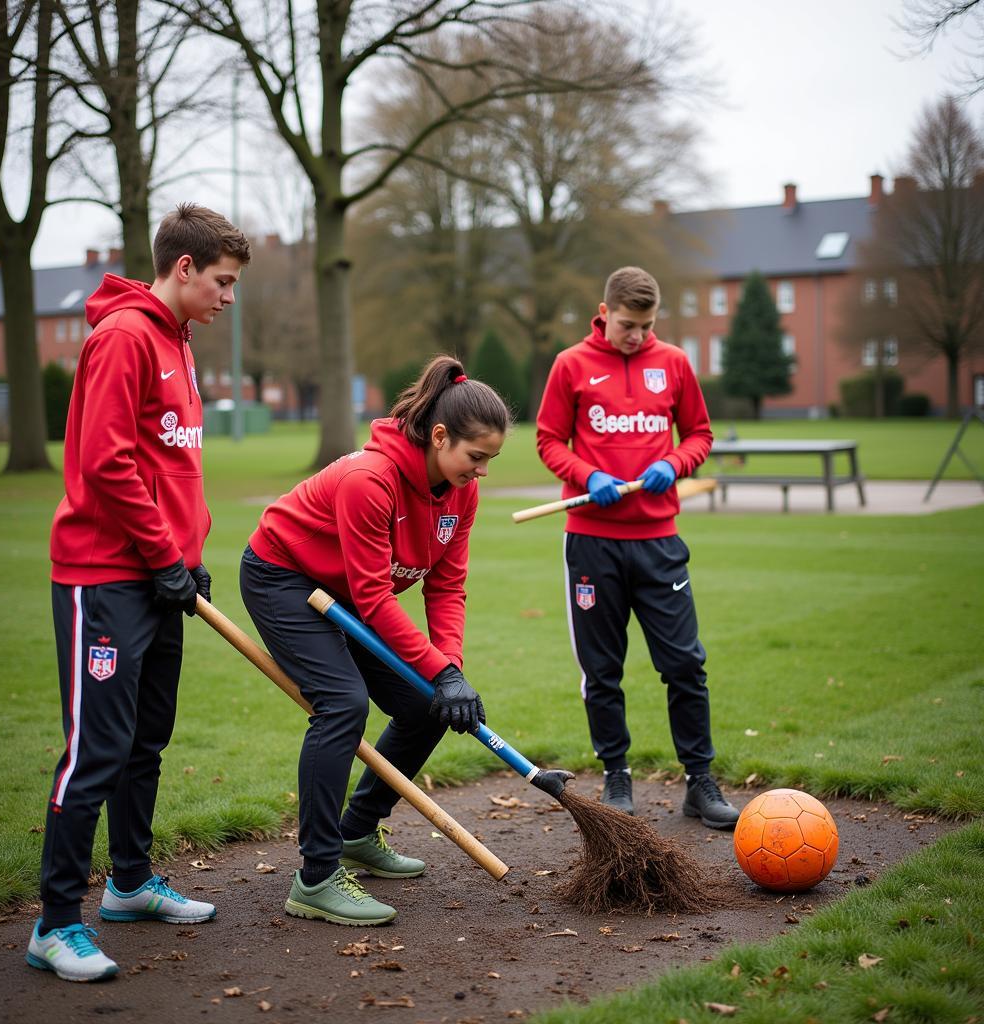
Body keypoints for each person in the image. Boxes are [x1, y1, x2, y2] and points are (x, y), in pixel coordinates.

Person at [27, 205, 251, 982]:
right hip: (107, 577)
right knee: (97, 751)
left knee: (145, 743)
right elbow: (107, 464)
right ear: (183, 267)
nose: (228, 297)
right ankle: (54, 925)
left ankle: (127, 884)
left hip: (161, 576)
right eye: (221, 281)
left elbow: (173, 467)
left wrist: (187, 558)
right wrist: (163, 557)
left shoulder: (179, 343)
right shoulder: (123, 337)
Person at [240, 356, 509, 926]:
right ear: (440, 436)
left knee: (425, 706)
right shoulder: (371, 479)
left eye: (491, 460)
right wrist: (440, 671)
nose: (482, 471)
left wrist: (448, 672)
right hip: (282, 577)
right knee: (343, 703)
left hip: (347, 594)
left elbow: (447, 585)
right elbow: (373, 597)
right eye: (476, 457)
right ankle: (314, 878)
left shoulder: (462, 494)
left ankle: (356, 831)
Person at [535, 266, 739, 830]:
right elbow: (548, 439)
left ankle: (700, 782)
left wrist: (673, 463)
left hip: (659, 542)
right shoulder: (571, 364)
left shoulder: (672, 361)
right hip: (593, 543)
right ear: (605, 312)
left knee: (684, 666)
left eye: (646, 326)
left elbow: (700, 433)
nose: (636, 336)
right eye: (628, 325)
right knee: (603, 671)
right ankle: (616, 776)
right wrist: (585, 476)